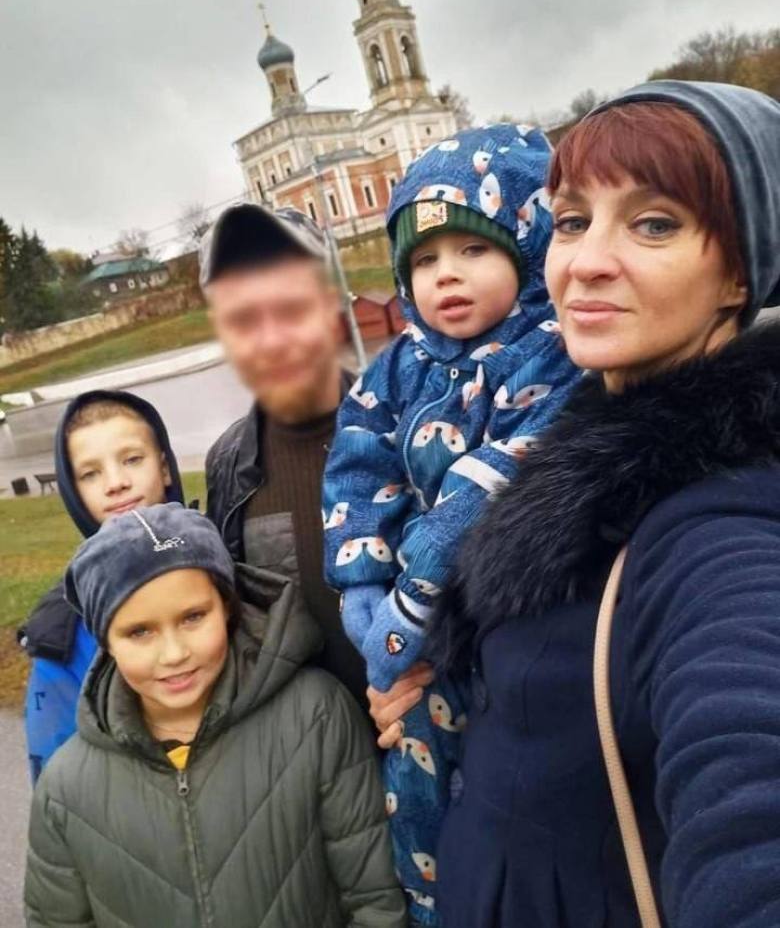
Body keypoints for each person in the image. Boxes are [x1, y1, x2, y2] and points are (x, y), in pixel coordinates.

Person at [429, 81, 780, 926]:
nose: (585, 261)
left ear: (739, 272)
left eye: (654, 223)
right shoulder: (590, 443)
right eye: (573, 220)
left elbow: (747, 784)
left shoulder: (721, 529)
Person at [323, 124, 583, 924]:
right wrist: (363, 595)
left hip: (503, 628)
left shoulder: (552, 350)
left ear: (528, 244)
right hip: (415, 654)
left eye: (473, 249)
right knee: (418, 792)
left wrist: (415, 590)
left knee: (515, 812)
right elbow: (357, 474)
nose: (446, 275)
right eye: (424, 259)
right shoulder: (396, 369)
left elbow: (501, 471)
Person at [24, 502, 407, 928]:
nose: (174, 654)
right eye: (139, 631)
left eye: (192, 617)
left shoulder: (317, 716)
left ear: (226, 606)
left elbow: (375, 899)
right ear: (106, 642)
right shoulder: (65, 789)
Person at [201, 203, 369, 708]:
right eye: (243, 320)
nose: (271, 340)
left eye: (292, 309)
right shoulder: (227, 464)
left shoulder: (413, 427)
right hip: (312, 753)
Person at [19, 389, 184, 781]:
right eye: (90, 474)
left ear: (164, 468)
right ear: (73, 491)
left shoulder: (230, 569)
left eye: (132, 459)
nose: (116, 483)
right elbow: (58, 781)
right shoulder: (62, 634)